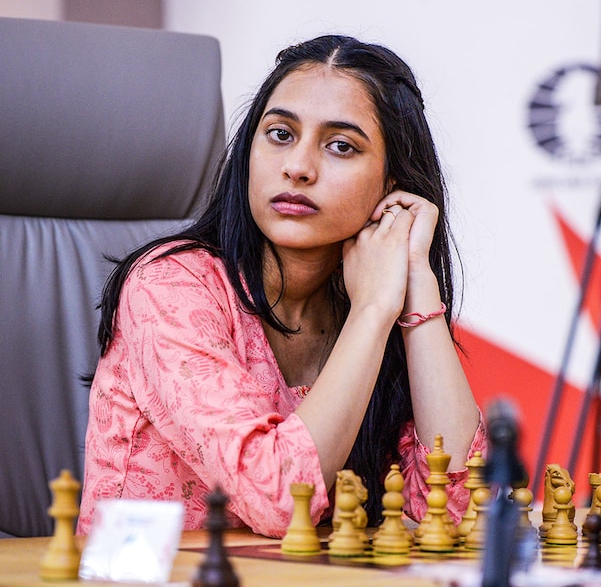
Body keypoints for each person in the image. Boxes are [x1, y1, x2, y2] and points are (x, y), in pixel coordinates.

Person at [77, 34, 485, 538]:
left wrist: (415, 282)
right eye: (280, 134)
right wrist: (373, 311)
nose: (297, 167)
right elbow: (275, 499)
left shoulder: (358, 300)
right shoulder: (170, 288)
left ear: (392, 184)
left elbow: (465, 511)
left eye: (341, 146)